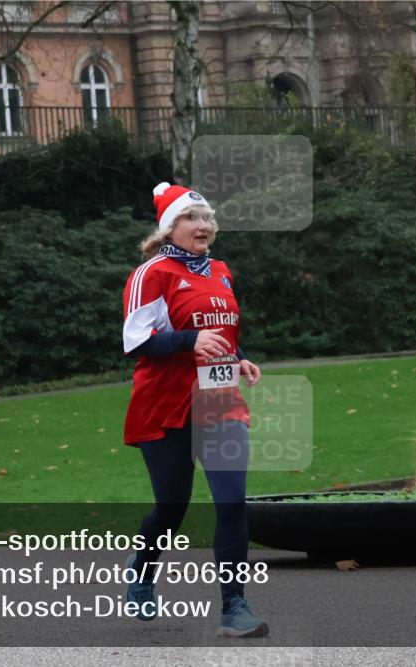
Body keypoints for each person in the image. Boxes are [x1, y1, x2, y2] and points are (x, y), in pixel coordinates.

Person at [120, 181, 269, 638]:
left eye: (206, 218)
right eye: (191, 218)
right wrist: (189, 341)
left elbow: (221, 328)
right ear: (169, 228)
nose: (203, 225)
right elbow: (136, 341)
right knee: (172, 507)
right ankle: (142, 569)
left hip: (219, 401)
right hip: (164, 405)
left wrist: (237, 355)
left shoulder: (221, 271)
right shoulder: (154, 272)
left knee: (231, 503)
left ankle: (234, 606)